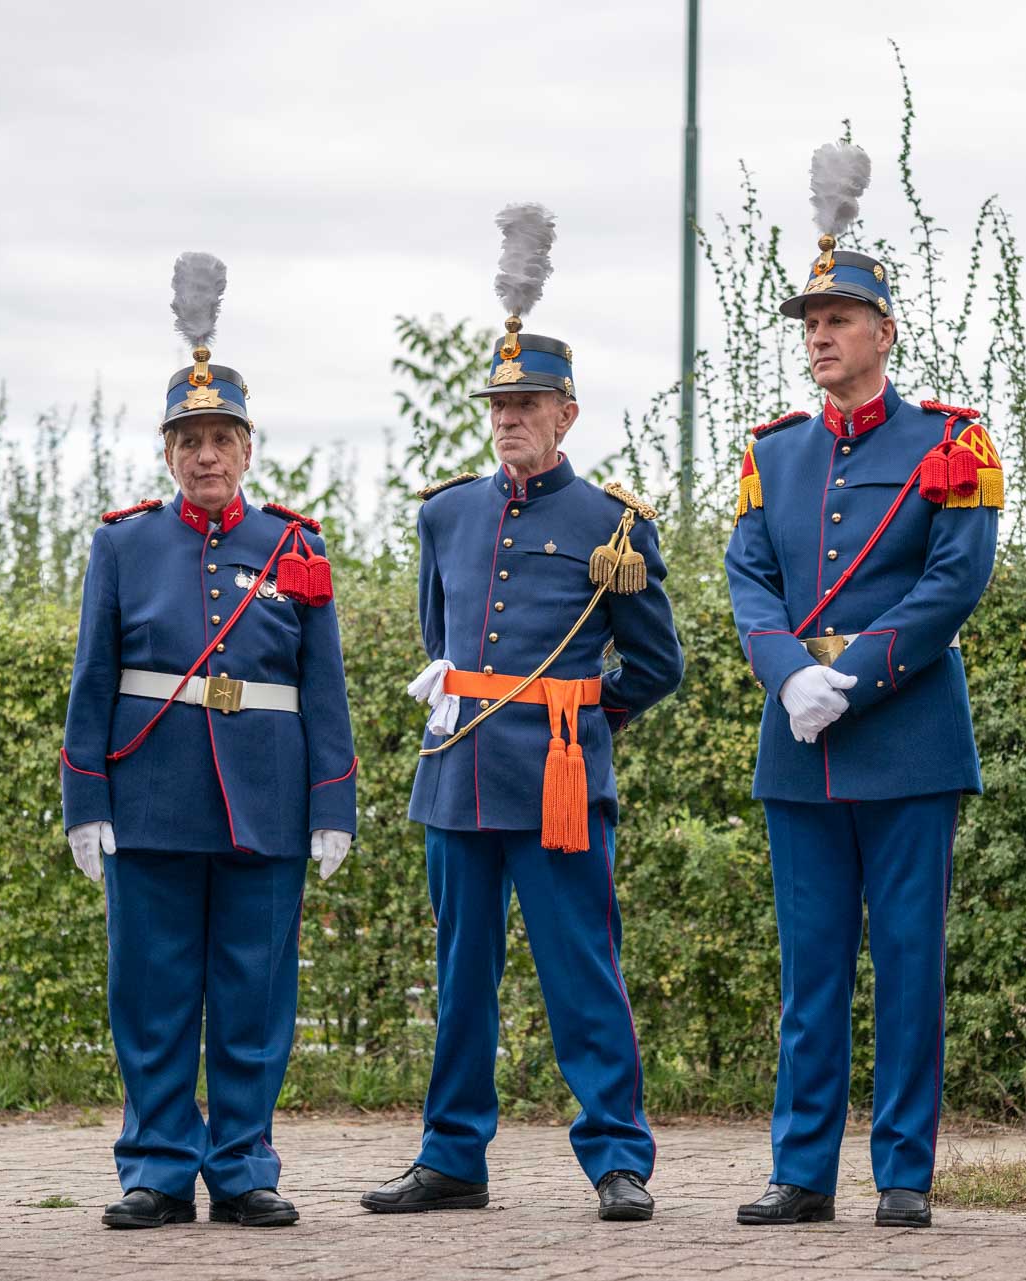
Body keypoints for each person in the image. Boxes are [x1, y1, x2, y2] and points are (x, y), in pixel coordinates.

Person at [360, 205, 683, 1223]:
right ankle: (452, 1156)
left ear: (567, 414)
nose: (509, 419)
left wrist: (581, 717)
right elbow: (439, 638)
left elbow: (658, 662)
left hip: (558, 775)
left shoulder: (611, 523)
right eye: (499, 404)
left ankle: (618, 1157)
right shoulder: (446, 511)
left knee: (583, 970)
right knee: (460, 982)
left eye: (529, 404)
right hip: (457, 770)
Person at [724, 142, 1000, 1230]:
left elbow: (954, 582)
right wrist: (793, 675)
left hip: (907, 735)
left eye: (838, 320)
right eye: (809, 323)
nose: (819, 337)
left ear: (884, 331)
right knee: (811, 978)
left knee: (909, 969)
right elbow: (749, 578)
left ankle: (904, 1176)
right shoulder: (775, 452)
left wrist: (855, 674)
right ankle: (801, 1172)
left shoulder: (952, 439)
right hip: (799, 741)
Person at [61, 253, 358, 1230]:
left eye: (221, 437)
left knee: (253, 1000)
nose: (205, 455)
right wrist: (87, 802)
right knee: (150, 1002)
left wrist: (332, 803)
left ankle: (239, 1168)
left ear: (246, 445)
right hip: (151, 800)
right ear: (168, 449)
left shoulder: (295, 546)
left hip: (265, 806)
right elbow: (95, 681)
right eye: (189, 438)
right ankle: (153, 1169)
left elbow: (322, 689)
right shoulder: (122, 543)